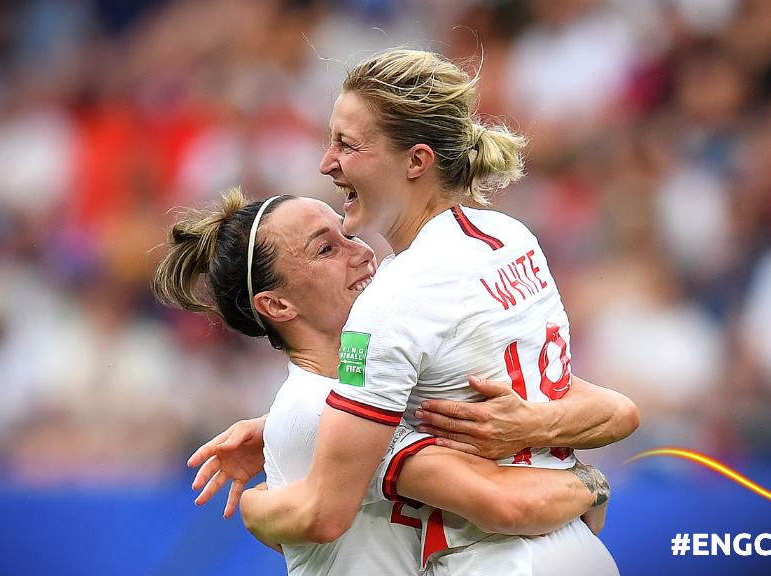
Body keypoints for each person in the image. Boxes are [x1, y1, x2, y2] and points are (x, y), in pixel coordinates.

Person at [237, 49, 630, 574]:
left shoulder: (391, 299)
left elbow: (324, 511)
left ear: (416, 161)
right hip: (582, 548)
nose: (326, 162)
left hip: (493, 559)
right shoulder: (511, 238)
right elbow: (593, 402)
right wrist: (277, 428)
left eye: (347, 144)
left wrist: (252, 507)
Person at [153, 188, 634, 575]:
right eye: (325, 249)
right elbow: (507, 504)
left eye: (346, 234)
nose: (361, 252)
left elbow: (615, 410)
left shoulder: (385, 382)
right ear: (278, 306)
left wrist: (535, 421)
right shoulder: (324, 412)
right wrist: (590, 481)